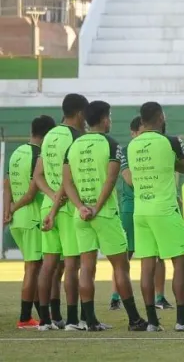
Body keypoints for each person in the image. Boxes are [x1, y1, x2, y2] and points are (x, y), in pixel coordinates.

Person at [62, 101, 144, 331]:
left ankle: (90, 321)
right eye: (110, 116)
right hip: (105, 214)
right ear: (105, 119)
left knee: (87, 267)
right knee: (121, 267)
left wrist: (81, 207)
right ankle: (134, 320)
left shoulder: (73, 146)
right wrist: (97, 208)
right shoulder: (111, 144)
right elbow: (110, 180)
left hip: (81, 216)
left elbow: (67, 182)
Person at [128, 101, 184, 331]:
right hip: (165, 209)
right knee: (181, 262)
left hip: (141, 211)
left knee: (147, 265)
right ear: (160, 117)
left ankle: (152, 322)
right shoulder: (171, 141)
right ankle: (182, 320)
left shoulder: (133, 145)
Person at [34, 93, 87, 331]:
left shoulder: (49, 136)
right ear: (80, 113)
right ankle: (73, 320)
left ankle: (45, 320)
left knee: (49, 265)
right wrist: (59, 200)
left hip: (49, 205)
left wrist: (52, 195)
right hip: (66, 209)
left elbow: (37, 175)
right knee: (72, 265)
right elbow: (70, 178)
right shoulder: (75, 137)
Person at [115, 116, 172, 312]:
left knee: (159, 254)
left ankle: (160, 297)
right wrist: (150, 183)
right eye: (141, 133)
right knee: (125, 254)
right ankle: (116, 296)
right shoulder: (125, 151)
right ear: (133, 133)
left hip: (153, 205)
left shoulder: (154, 149)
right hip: (131, 207)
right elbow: (129, 179)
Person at [4, 115, 56, 329]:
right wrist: (13, 208)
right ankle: (25, 317)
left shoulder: (17, 152)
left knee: (33, 267)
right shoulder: (37, 155)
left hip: (17, 221)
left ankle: (40, 314)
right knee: (33, 268)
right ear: (47, 134)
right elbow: (31, 193)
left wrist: (7, 210)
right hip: (31, 217)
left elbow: (6, 184)